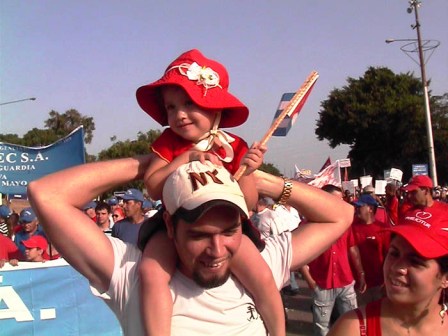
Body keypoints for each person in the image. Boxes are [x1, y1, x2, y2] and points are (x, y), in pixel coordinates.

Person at [27, 156, 354, 335]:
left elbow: (339, 214)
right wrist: (154, 162)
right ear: (169, 226)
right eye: (199, 235)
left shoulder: (260, 266)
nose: (217, 249)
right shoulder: (132, 277)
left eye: (230, 230)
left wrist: (259, 177)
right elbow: (46, 194)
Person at [136, 49, 283, 335]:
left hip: (228, 228)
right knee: (151, 273)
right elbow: (153, 187)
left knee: (262, 276)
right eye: (170, 107)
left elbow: (249, 205)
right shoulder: (168, 143)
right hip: (174, 227)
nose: (179, 115)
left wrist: (248, 173)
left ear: (215, 107)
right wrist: (183, 159)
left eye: (189, 104)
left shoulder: (234, 146)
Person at [328, 205, 448, 335]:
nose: (397, 268)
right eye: (394, 254)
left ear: (445, 278)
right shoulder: (352, 328)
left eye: (415, 261)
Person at [299, 184, 366, 336]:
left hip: (346, 282)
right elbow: (299, 255)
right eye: (338, 200)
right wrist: (310, 281)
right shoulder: (308, 225)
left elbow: (352, 248)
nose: (342, 204)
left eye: (342, 200)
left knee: (353, 323)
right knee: (322, 328)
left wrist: (360, 274)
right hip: (322, 285)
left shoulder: (346, 223)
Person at [352, 194, 390, 306]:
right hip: (359, 283)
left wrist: (387, 280)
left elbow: (388, 255)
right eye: (356, 207)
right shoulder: (352, 227)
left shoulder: (383, 229)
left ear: (370, 209)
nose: (357, 209)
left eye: (360, 206)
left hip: (379, 283)